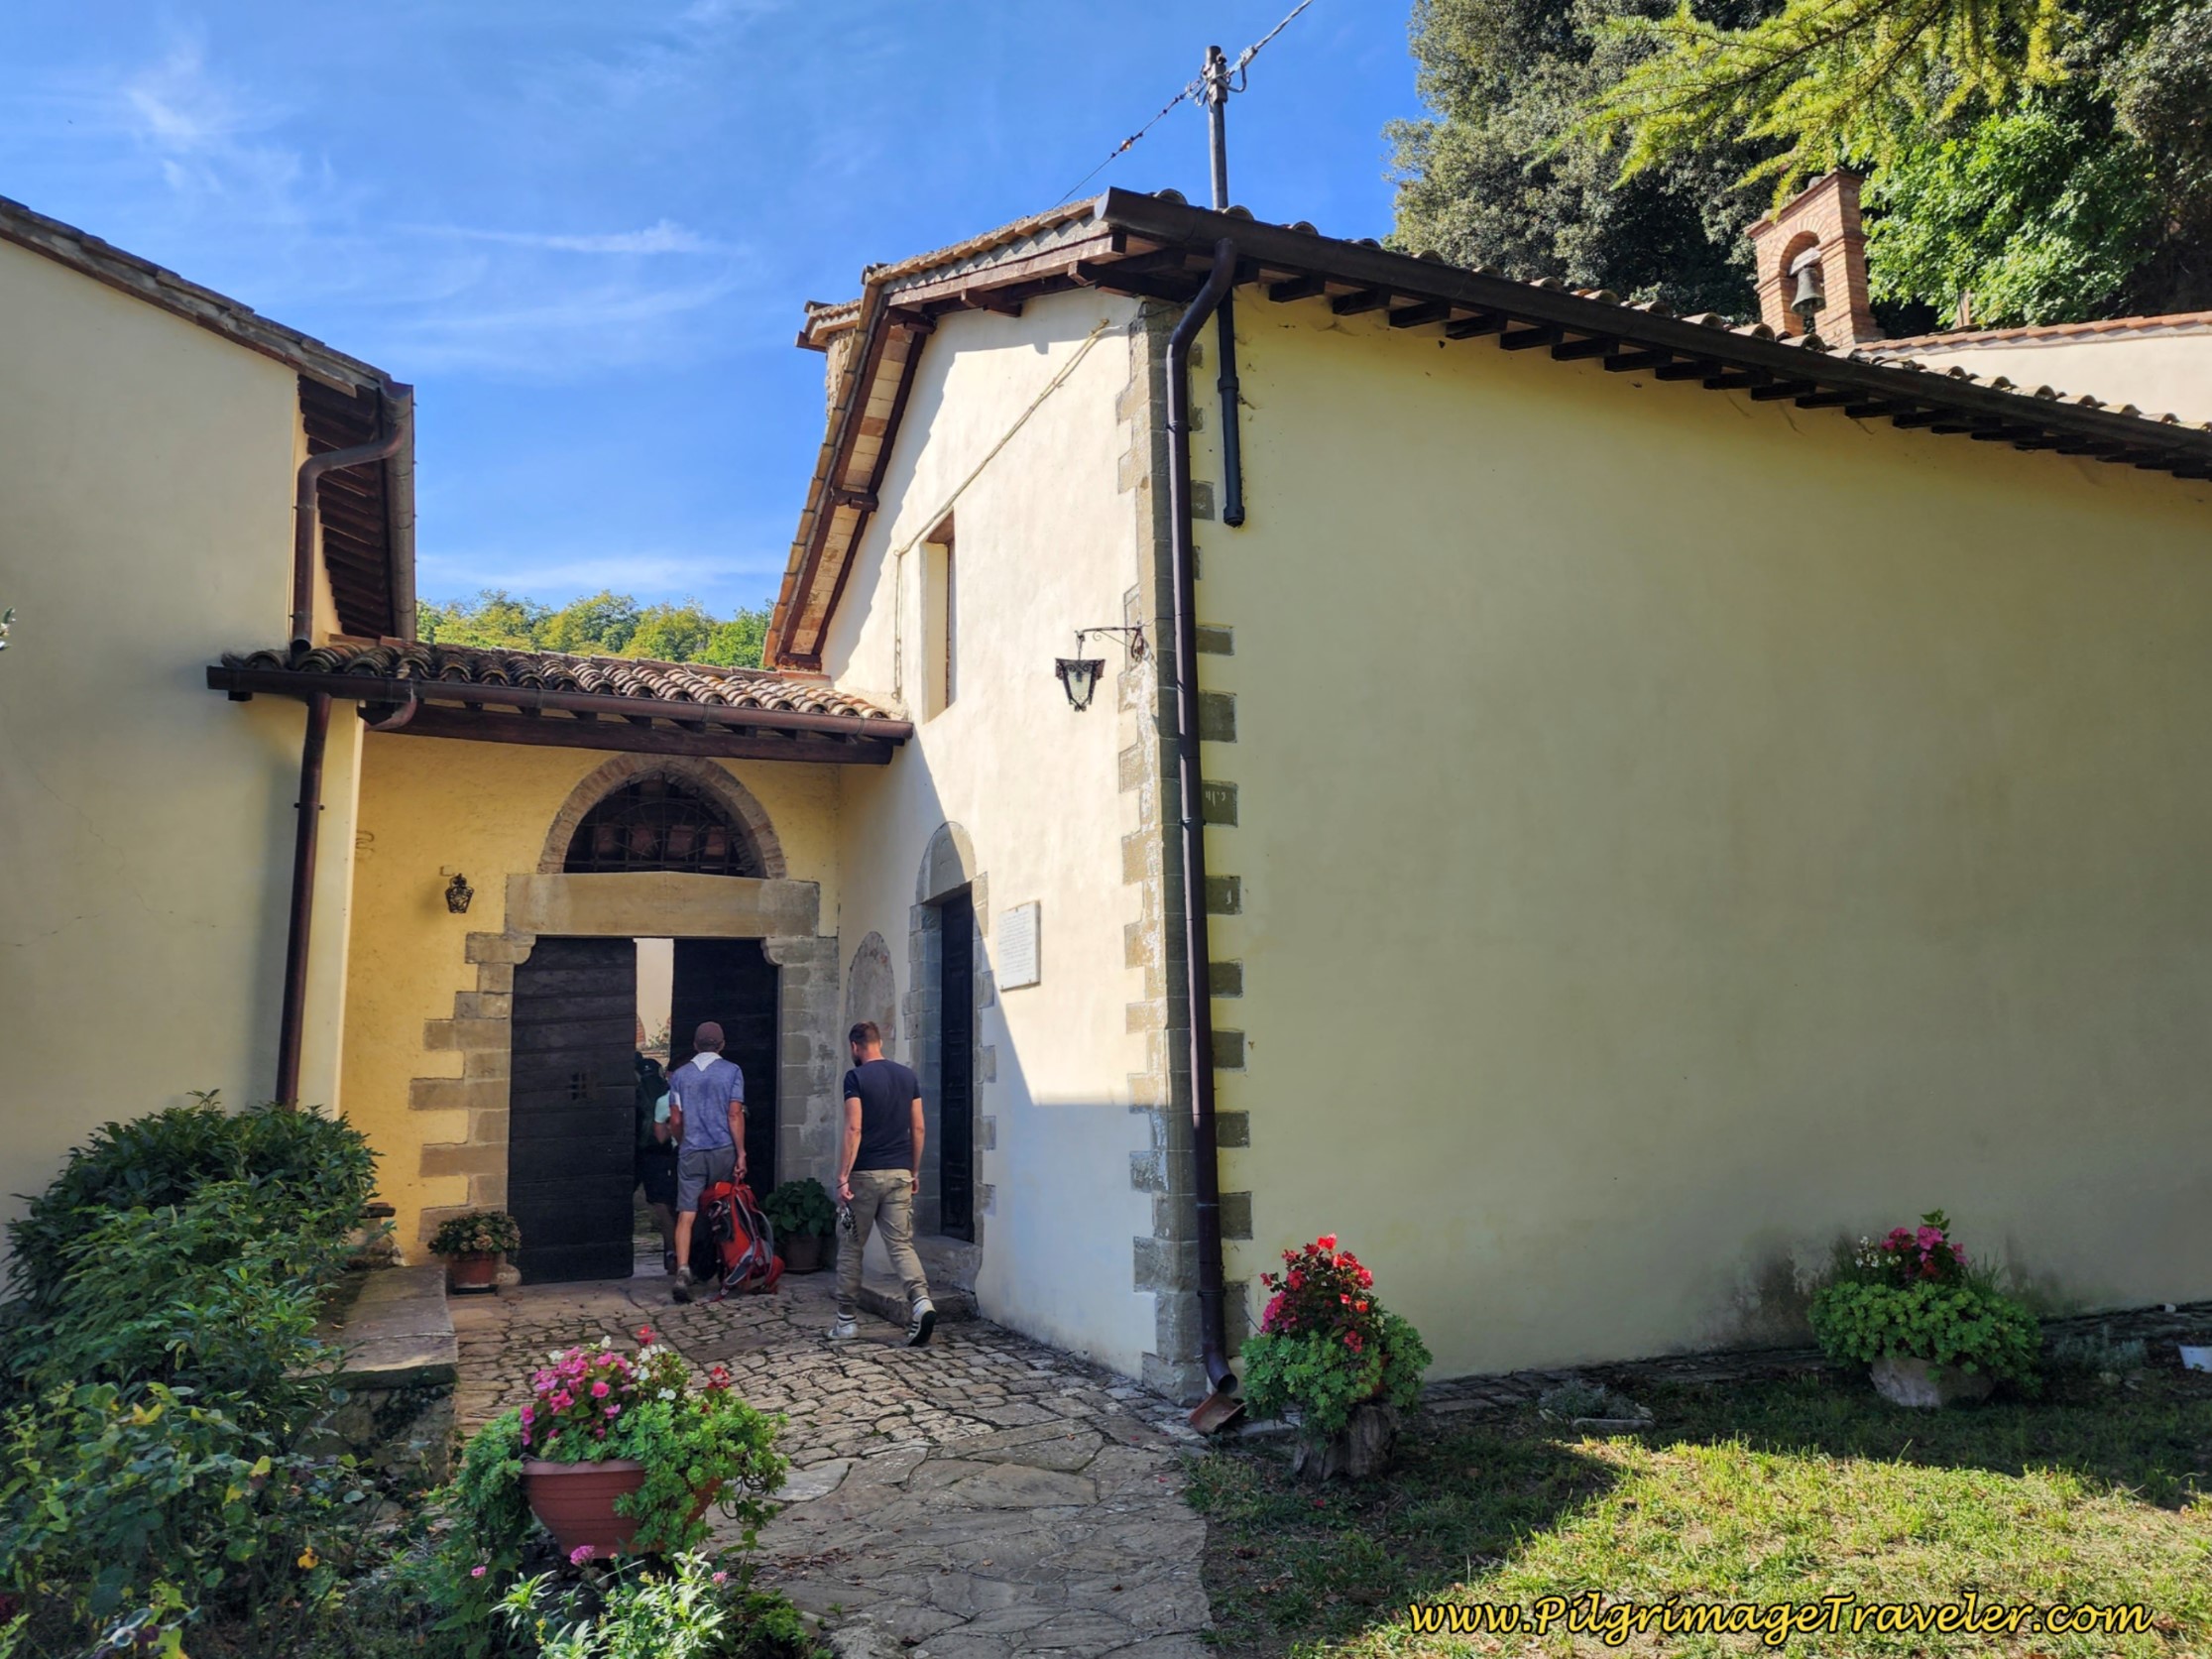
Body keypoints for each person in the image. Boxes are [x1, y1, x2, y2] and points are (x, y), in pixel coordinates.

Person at [831, 1021, 935, 1347]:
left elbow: (853, 1129)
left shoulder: (856, 1078)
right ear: (880, 1042)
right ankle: (921, 1302)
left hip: (864, 1174)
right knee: (901, 1243)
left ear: (854, 1047)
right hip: (900, 1172)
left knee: (851, 1246)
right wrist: (914, 1170)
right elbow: (918, 1128)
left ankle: (846, 1321)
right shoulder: (907, 1077)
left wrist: (843, 1176)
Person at [666, 1021, 745, 1304]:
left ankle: (684, 1269)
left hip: (692, 1150)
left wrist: (682, 1140)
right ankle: (726, 1267)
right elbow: (734, 1114)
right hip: (722, 1148)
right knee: (721, 1209)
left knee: (686, 1214)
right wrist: (741, 1152)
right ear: (721, 1045)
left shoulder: (680, 1076)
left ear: (695, 1045)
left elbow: (675, 1119)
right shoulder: (732, 1071)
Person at [633, 1052, 677, 1272]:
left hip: (645, 1154)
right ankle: (674, 1255)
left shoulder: (636, 1090)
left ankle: (671, 1255)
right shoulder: (665, 1090)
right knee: (671, 1206)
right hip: (668, 1152)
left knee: (660, 1206)